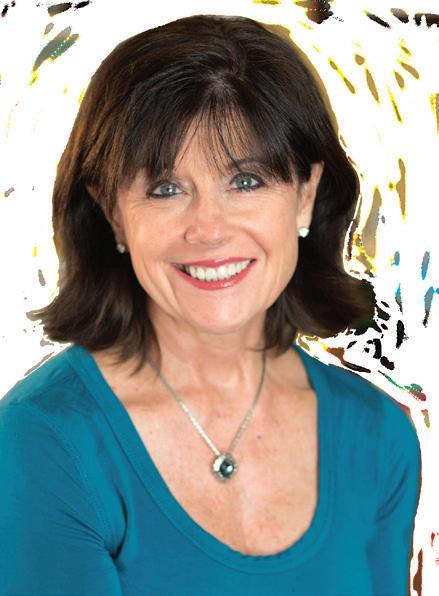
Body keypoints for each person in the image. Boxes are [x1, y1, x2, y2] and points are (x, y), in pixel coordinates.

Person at [0, 13, 421, 596]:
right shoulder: (46, 439)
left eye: (246, 182)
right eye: (165, 189)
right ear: (113, 213)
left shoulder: (377, 436)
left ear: (305, 195)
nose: (208, 229)